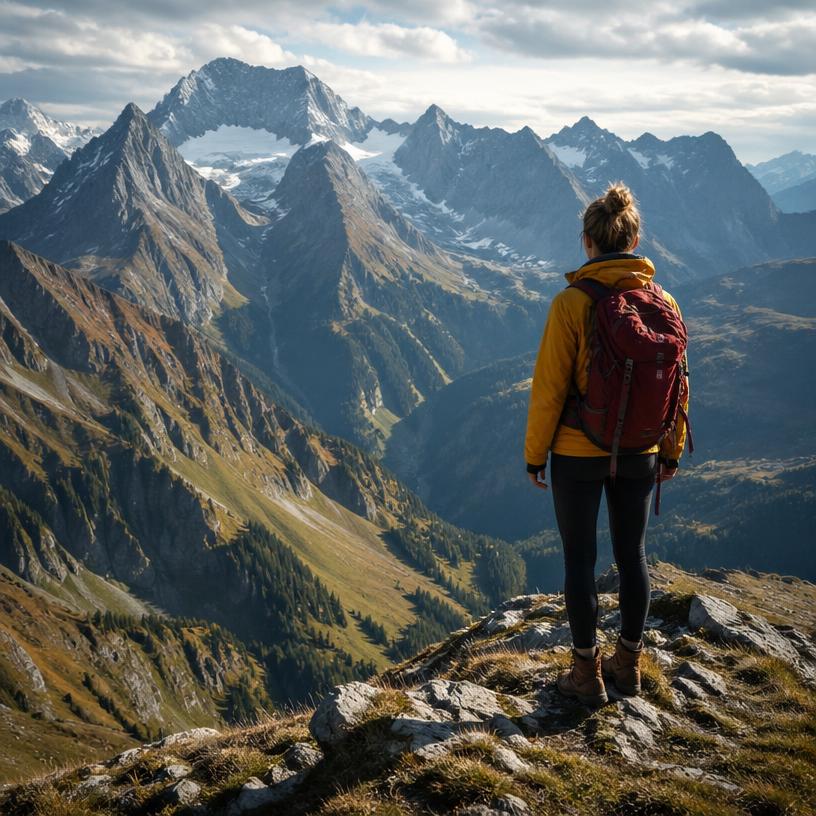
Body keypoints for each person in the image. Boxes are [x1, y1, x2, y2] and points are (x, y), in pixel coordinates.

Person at [524, 182, 689, 707]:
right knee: (632, 552)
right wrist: (671, 449)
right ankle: (629, 663)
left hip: (577, 449)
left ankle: (584, 672)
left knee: (580, 559)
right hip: (641, 448)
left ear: (587, 243)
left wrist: (534, 455)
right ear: (635, 238)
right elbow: (678, 383)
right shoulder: (663, 300)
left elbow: (549, 387)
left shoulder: (572, 303)